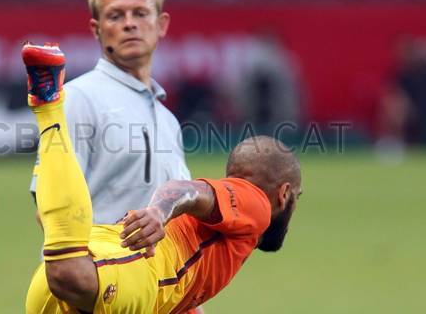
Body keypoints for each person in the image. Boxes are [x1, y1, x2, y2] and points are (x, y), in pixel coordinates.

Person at [22, 43, 303, 313]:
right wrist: (159, 211)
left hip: (93, 283)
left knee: (67, 269)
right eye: (297, 198)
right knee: (68, 273)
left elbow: (182, 290)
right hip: (119, 268)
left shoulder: (221, 240)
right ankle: (49, 106)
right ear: (284, 194)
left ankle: (61, 222)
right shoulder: (256, 205)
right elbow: (188, 190)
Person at [29, 0, 189, 226]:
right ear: (97, 29)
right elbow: (50, 204)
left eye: (140, 13)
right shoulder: (78, 98)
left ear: (161, 24)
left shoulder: (168, 121)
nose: (129, 24)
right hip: (97, 265)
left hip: (156, 268)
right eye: (115, 15)